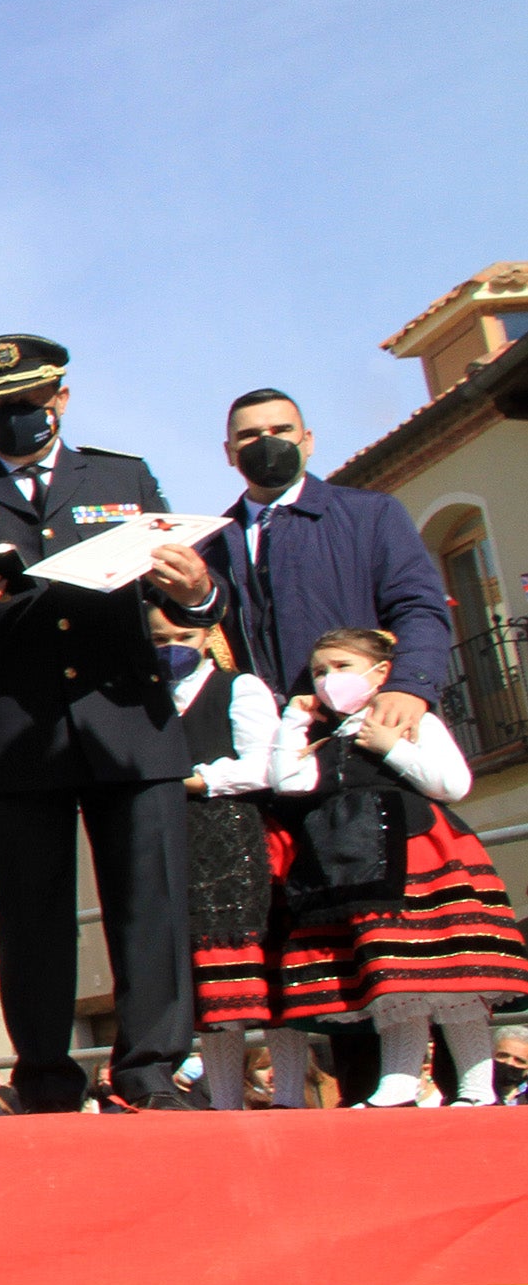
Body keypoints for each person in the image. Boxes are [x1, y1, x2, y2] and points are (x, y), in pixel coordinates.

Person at [0, 335, 223, 1113]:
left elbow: (195, 597)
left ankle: (147, 1072)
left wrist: (196, 586)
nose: (18, 419)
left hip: (126, 721)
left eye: (31, 405)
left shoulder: (121, 476)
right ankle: (43, 1076)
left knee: (151, 903)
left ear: (61, 400)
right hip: (14, 731)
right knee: (30, 917)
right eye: (1, 409)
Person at [200, 387, 458, 1106]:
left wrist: (408, 686)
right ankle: (354, 1099)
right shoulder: (209, 543)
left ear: (308, 439)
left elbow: (416, 603)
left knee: (387, 924)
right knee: (310, 938)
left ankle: (420, 1090)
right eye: (248, 434)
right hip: (275, 765)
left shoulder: (366, 515)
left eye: (279, 429)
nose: (265, 441)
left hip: (366, 750)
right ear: (228, 452)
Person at [267, 627, 528, 1107]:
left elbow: (453, 783)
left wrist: (390, 745)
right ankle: (399, 1081)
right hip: (360, 866)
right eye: (322, 671)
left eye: (342, 667)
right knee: (393, 974)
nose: (329, 679)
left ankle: (476, 1088)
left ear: (380, 671)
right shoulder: (327, 737)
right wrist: (292, 721)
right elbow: (287, 782)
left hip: (421, 853)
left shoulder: (413, 721)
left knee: (454, 974)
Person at [144, 610, 286, 1109]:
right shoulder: (143, 696)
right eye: (160, 638)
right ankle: (224, 1101)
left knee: (258, 969)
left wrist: (197, 781)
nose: (173, 646)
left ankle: (288, 1092)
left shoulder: (238, 688)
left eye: (184, 636)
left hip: (235, 836)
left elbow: (265, 763)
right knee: (209, 987)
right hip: (171, 841)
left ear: (207, 638)